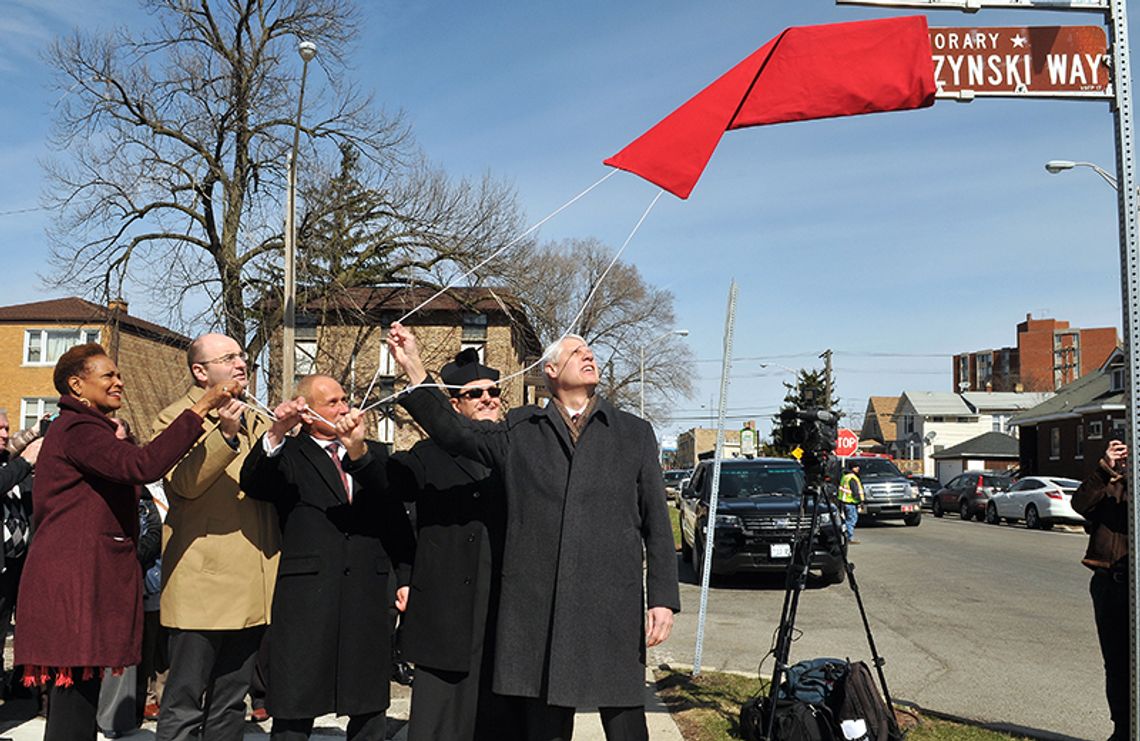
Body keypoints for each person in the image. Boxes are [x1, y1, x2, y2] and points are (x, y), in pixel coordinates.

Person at [387, 324, 680, 741]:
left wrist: (663, 600)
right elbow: (456, 432)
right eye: (577, 351)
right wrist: (415, 368)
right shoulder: (521, 431)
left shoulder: (633, 433)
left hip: (612, 604)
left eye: (590, 352)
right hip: (540, 611)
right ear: (551, 371)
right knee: (545, 723)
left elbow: (657, 523)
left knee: (626, 721)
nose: (589, 355)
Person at [14, 343, 235, 741]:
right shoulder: (79, 429)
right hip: (75, 579)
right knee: (73, 695)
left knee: (81, 692)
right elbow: (142, 466)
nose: (119, 382)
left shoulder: (85, 428)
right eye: (108, 376)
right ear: (77, 385)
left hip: (84, 574)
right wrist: (201, 409)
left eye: (118, 375)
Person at [240, 374, 415, 741]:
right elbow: (254, 483)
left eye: (344, 400)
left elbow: (395, 518)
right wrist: (275, 434)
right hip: (308, 596)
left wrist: (404, 577)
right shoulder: (288, 455)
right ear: (306, 413)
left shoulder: (374, 453)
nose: (343, 408)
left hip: (368, 592)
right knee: (295, 702)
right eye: (331, 403)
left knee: (368, 705)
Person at [152, 333, 281, 741]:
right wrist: (224, 435)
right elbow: (185, 484)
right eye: (228, 358)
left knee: (231, 700)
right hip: (202, 582)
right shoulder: (175, 417)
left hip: (252, 582)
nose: (242, 364)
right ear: (200, 371)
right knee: (185, 697)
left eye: (242, 356)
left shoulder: (257, 417)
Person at [389, 349, 520, 741]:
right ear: (452, 405)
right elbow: (390, 502)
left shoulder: (518, 449)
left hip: (504, 609)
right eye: (474, 393)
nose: (487, 398)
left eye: (493, 391)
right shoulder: (425, 455)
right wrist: (405, 576)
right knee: (439, 726)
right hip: (445, 614)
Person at [1073, 438, 1130, 741]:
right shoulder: (1109, 484)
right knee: (1117, 662)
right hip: (1111, 583)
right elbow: (1079, 503)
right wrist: (1106, 469)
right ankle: (1122, 727)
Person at [0, 410, 40, 694]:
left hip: (12, 570)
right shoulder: (15, 468)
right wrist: (27, 459)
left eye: (7, 429)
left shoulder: (10, 466)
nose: (5, 434)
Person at [838, 463, 864, 544]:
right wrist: (860, 502)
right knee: (852, 519)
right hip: (851, 502)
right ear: (853, 468)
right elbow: (855, 492)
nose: (858, 468)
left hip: (844, 501)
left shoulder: (844, 476)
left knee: (847, 519)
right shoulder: (852, 478)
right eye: (856, 467)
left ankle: (844, 535)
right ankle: (849, 537)